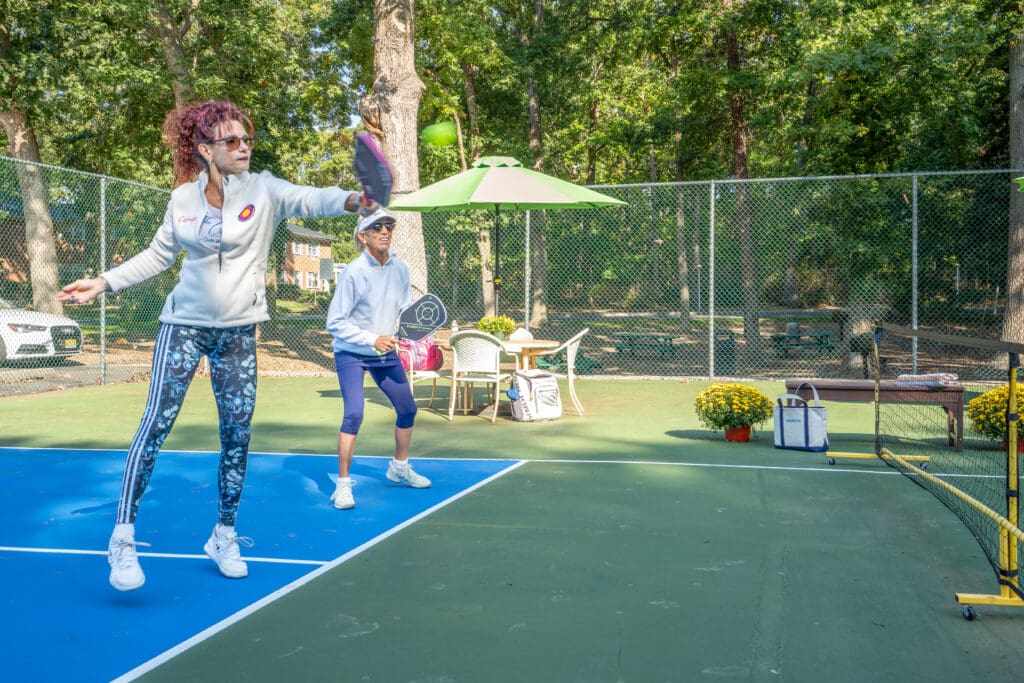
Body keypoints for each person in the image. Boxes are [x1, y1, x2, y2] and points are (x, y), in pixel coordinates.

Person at [57, 100, 374, 591]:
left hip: (239, 333)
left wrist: (355, 200)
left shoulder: (264, 189)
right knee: (154, 427)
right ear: (206, 149)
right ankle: (122, 539)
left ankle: (223, 533)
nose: (244, 147)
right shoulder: (182, 200)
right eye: (232, 141)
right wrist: (104, 281)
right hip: (182, 327)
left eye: (247, 139)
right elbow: (158, 254)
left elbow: (311, 199)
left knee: (237, 435)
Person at [325, 208, 431, 510]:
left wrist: (413, 331)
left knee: (407, 408)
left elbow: (404, 308)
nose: (385, 231)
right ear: (363, 236)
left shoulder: (400, 269)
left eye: (389, 226)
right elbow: (335, 322)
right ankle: (343, 486)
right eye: (377, 227)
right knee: (354, 414)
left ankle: (399, 468)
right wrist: (372, 339)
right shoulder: (353, 273)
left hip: (385, 352)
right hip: (351, 352)